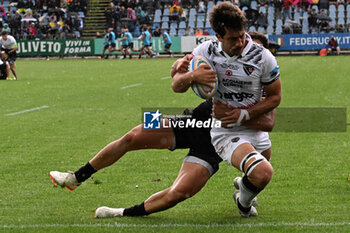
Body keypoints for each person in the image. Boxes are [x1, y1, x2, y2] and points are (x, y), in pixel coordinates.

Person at [50, 30, 277, 218]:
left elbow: (269, 121)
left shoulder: (265, 89)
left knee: (178, 193)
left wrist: (240, 115)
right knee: (132, 135)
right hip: (192, 121)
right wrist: (185, 70)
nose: (245, 55)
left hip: (213, 148)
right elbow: (175, 71)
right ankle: (75, 177)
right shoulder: (219, 56)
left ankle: (120, 213)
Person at [170, 3, 281, 217]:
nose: (240, 42)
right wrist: (191, 75)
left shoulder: (263, 56)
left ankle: (243, 185)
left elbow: (275, 97)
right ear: (218, 36)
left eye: (242, 36)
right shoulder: (205, 52)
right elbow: (176, 85)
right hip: (226, 131)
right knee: (263, 171)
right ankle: (244, 205)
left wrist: (244, 114)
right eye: (233, 38)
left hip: (254, 127)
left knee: (257, 172)